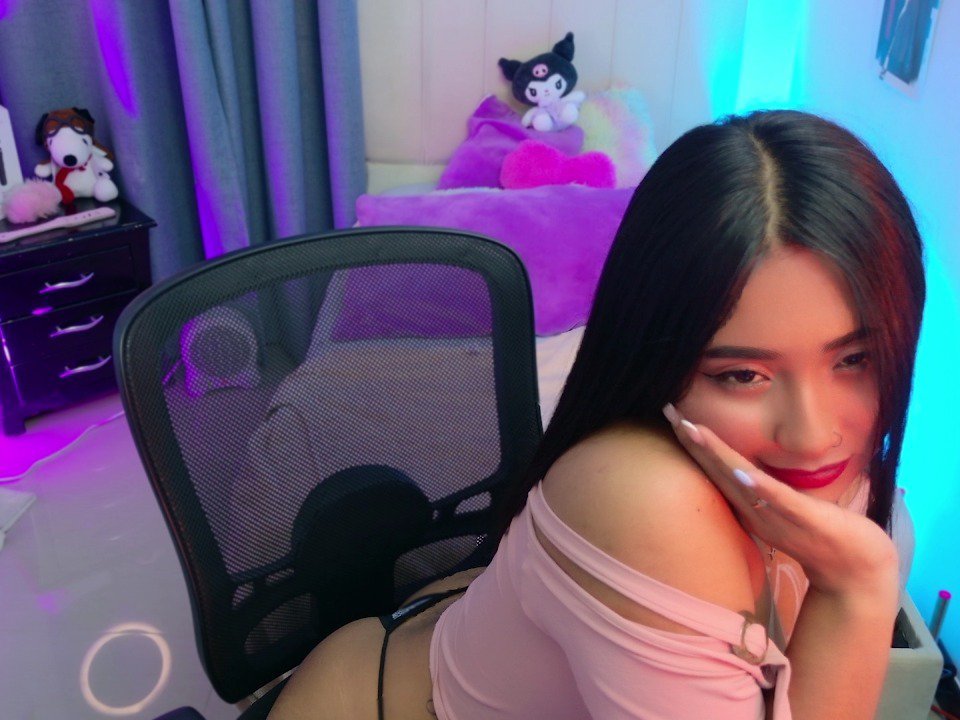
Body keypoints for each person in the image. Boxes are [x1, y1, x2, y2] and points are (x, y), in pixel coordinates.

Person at [268, 109, 926, 720]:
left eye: (855, 359)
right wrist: (861, 586)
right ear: (659, 358)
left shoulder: (850, 484)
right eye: (742, 375)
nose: (811, 437)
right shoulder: (648, 502)